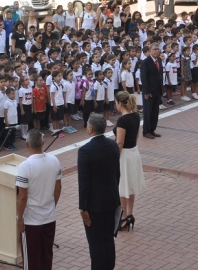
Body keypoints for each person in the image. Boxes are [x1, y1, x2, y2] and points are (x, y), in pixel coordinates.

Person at [77, 114, 120, 270]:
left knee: (95, 243)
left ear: (90, 129)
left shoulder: (85, 151)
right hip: (112, 200)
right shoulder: (113, 145)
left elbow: (84, 183)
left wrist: (83, 207)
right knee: (108, 239)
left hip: (93, 205)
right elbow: (117, 174)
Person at [16, 129, 62, 270]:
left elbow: (22, 196)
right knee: (46, 256)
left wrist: (19, 218)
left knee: (31, 260)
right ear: (42, 143)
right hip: (49, 217)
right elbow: (58, 188)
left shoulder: (25, 166)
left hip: (31, 220)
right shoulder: (54, 161)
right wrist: (51, 205)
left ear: (27, 144)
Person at [113, 91, 145, 231]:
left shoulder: (122, 120)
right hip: (134, 152)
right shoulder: (136, 115)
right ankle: (130, 214)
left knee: (122, 187)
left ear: (120, 103)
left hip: (124, 155)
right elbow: (137, 136)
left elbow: (119, 142)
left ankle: (124, 217)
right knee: (131, 185)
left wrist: (114, 158)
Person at [139, 44, 163, 139]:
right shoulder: (146, 62)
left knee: (155, 111)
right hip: (149, 90)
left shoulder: (159, 60)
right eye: (154, 49)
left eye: (158, 49)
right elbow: (144, 78)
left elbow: (159, 75)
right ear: (150, 51)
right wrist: (146, 91)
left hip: (157, 89)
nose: (156, 51)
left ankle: (152, 129)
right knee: (148, 111)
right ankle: (146, 131)